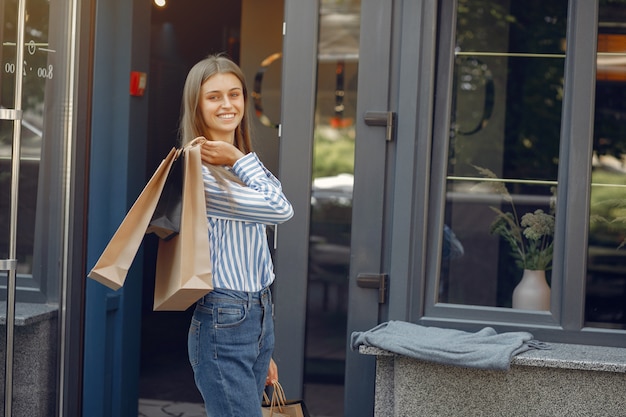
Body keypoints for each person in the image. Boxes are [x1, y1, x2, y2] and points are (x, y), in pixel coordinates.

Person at [179, 54, 294, 416]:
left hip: (257, 314)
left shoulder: (234, 164)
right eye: (214, 97)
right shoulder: (200, 172)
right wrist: (239, 159)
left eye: (235, 94)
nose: (227, 105)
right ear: (197, 104)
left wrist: (262, 344)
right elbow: (281, 209)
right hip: (225, 318)